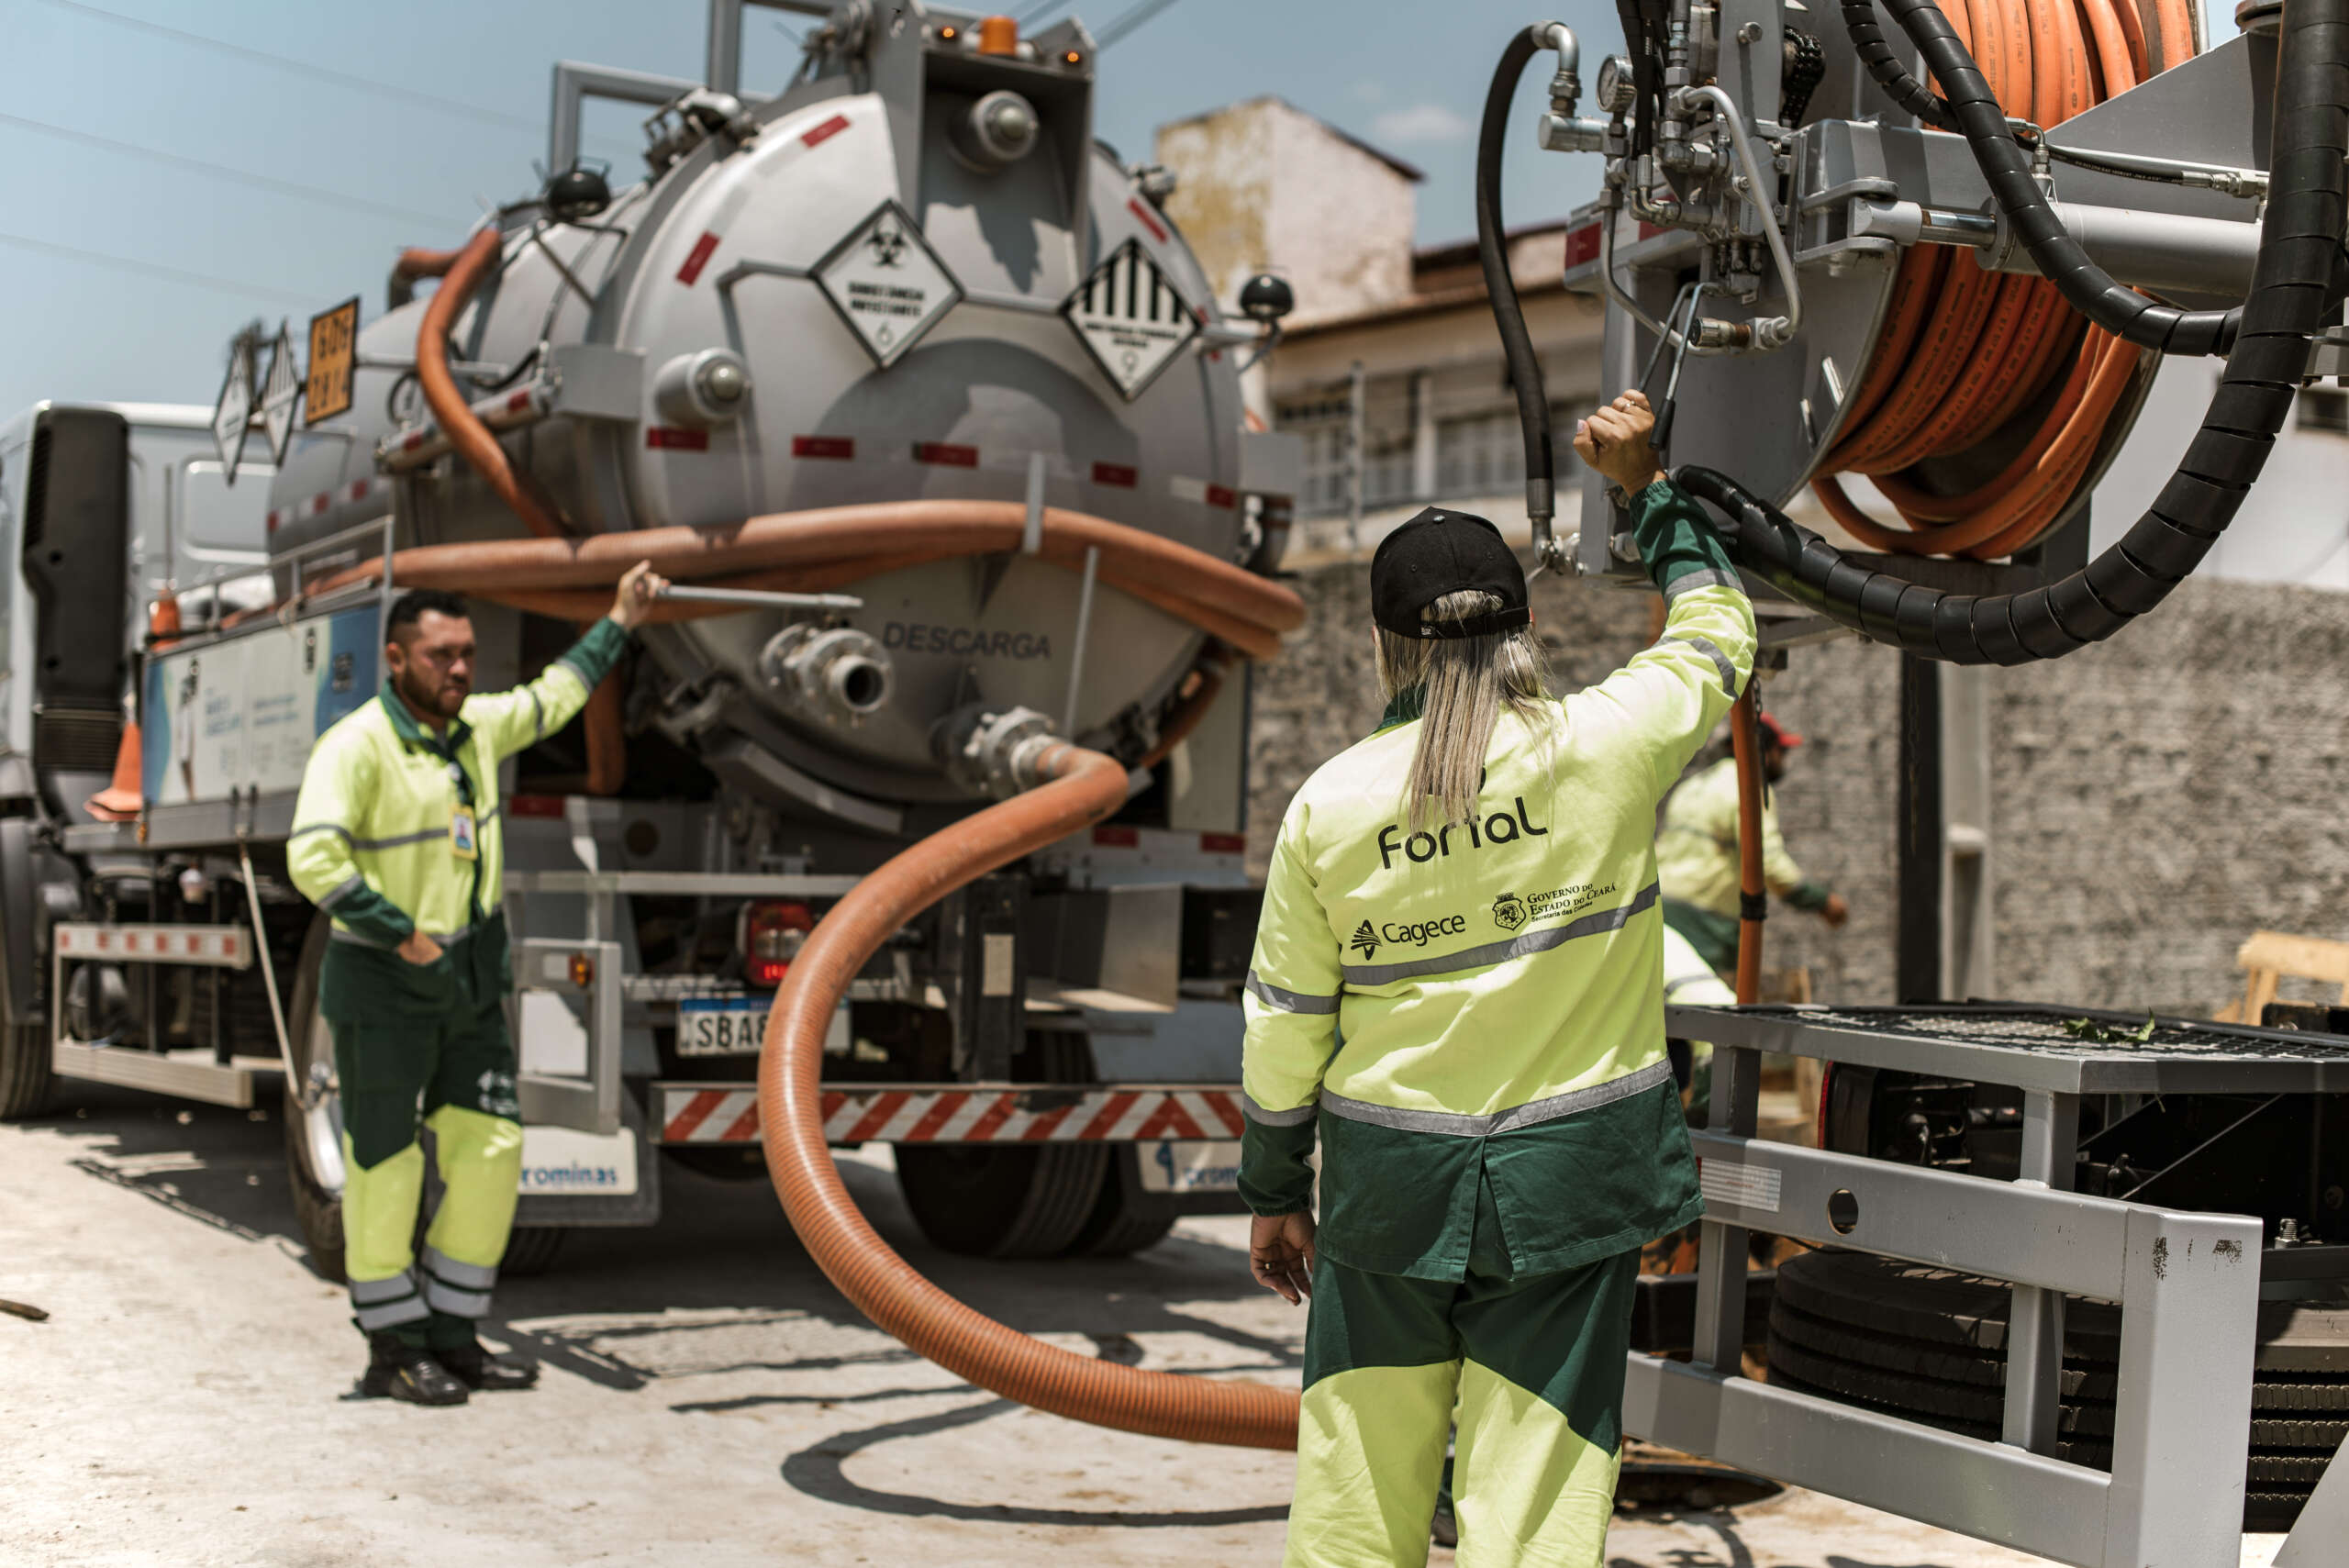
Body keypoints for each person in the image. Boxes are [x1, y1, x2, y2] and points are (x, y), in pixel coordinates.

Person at [1239, 389, 1754, 1566]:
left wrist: (1274, 1185)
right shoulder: (1607, 745)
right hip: (1569, 1189)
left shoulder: (1331, 804)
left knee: (1358, 1481)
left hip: (1388, 1191)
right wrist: (1645, 493)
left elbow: (1285, 1027)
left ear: (1386, 644)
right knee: (1537, 1485)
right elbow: (1720, 630)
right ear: (1523, 627)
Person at [289, 562, 668, 1405]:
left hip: (467, 983)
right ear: (395, 659)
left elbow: (556, 694)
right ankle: (392, 1345)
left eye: (466, 654)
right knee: (385, 1164)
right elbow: (312, 858)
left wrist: (619, 618)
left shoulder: (479, 730)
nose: (459, 670)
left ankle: (454, 1333)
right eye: (439, 656)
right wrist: (400, 933)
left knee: (494, 1148)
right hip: (385, 981)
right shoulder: (355, 747)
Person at [1657, 711, 1849, 981]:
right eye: (1781, 750)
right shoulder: (1747, 788)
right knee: (1706, 1009)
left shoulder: (1693, 786)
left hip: (1662, 911)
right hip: (1708, 924)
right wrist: (1820, 901)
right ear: (1765, 750)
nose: (1783, 760)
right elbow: (1767, 863)